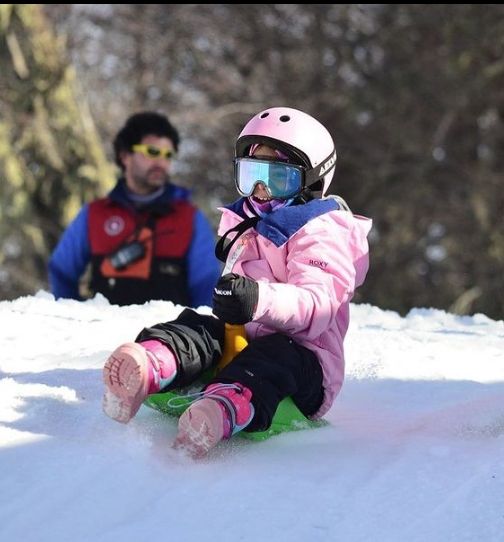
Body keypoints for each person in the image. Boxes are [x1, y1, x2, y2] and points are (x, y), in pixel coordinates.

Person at [102, 106, 372, 458]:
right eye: (252, 174)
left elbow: (319, 305)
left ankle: (222, 410)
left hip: (307, 366)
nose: (260, 189)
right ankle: (151, 365)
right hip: (243, 340)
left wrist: (258, 299)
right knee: (198, 328)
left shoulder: (321, 232)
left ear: (312, 181)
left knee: (273, 358)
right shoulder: (246, 220)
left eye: (277, 178)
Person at [48, 111, 220, 307]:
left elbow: (206, 287)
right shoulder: (95, 214)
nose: (161, 162)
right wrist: (75, 316)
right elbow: (61, 271)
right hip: (104, 326)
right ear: (125, 156)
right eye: (152, 152)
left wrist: (196, 326)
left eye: (168, 155)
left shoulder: (189, 218)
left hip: (170, 327)